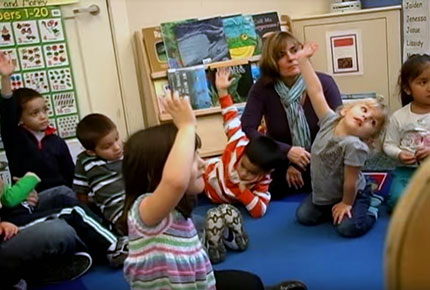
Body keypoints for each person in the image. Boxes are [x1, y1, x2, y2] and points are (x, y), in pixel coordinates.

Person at [121, 91, 307, 290]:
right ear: (158, 172)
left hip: (198, 279)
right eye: (193, 158)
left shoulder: (179, 208)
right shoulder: (145, 211)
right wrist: (186, 126)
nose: (203, 163)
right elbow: (175, 182)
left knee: (251, 283)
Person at [295, 42, 387, 238]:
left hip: (352, 192)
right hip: (324, 193)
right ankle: (334, 207)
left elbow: (350, 183)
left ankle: (371, 202)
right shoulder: (329, 120)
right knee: (303, 217)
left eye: (371, 121)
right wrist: (303, 60)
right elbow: (316, 91)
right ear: (346, 110)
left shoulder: (355, 146)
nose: (364, 117)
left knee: (347, 228)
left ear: (369, 137)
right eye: (364, 110)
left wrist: (346, 203)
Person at [241, 31, 343, 199]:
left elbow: (338, 129)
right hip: (279, 160)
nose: (290, 58)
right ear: (272, 62)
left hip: (322, 157)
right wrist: (287, 152)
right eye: (281, 55)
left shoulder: (324, 82)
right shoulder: (262, 88)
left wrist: (299, 164)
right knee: (262, 195)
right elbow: (248, 128)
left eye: (294, 50)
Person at [204, 68, 283, 219]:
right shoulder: (238, 141)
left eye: (252, 172)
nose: (243, 173)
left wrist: (244, 192)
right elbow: (230, 117)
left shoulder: (263, 180)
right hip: (207, 177)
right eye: (243, 166)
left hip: (223, 200)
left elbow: (259, 211)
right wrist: (222, 92)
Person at [0, 52, 74, 192]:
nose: (43, 116)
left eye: (44, 110)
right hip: (30, 199)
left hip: (62, 195)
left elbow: (70, 175)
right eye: (34, 113)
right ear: (20, 117)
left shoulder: (57, 142)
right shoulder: (16, 138)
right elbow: (7, 113)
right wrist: (6, 78)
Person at [383, 54, 430, 211]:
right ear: (407, 88)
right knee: (397, 200)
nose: (429, 87)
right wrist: (399, 154)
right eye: (423, 82)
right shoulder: (399, 117)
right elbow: (389, 144)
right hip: (406, 172)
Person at [73, 113, 125, 235]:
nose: (117, 147)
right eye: (108, 146)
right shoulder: (85, 162)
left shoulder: (131, 151)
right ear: (91, 152)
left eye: (117, 138)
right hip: (119, 214)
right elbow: (81, 193)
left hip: (143, 202)